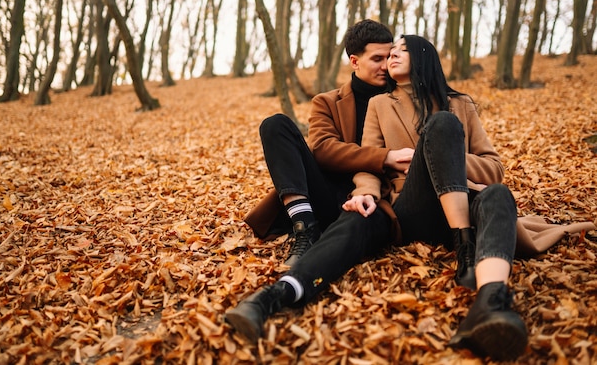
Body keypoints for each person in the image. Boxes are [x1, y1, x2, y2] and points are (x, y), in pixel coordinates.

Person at [226, 35, 528, 362]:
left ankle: (490, 303)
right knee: (357, 219)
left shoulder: (462, 104)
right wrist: (365, 194)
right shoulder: (380, 104)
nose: (389, 60)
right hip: (411, 205)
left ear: (423, 56)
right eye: (384, 55)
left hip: (465, 202)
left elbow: (495, 167)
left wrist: (443, 156)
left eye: (399, 52)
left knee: (497, 193)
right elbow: (363, 162)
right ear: (355, 61)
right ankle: (274, 295)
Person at [244, 19, 394, 266]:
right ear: (355, 61)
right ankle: (304, 227)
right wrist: (384, 157)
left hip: (376, 202)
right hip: (326, 198)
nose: (386, 66)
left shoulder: (401, 99)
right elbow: (324, 150)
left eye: (389, 57)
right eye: (377, 59)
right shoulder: (327, 102)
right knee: (274, 124)